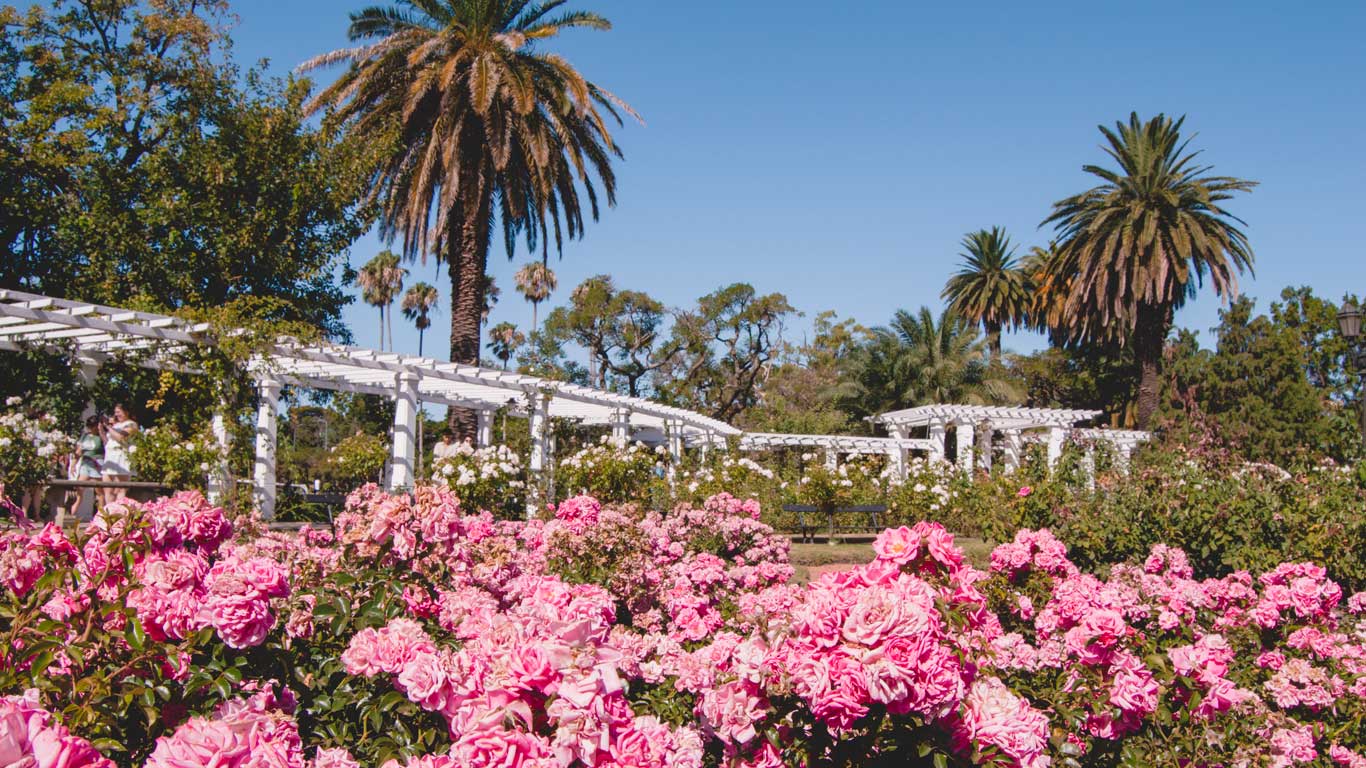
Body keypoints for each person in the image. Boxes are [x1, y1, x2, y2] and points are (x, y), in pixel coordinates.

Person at [99, 404, 138, 506]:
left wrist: (108, 427)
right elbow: (108, 442)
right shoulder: (115, 426)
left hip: (121, 456)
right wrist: (102, 431)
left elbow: (121, 437)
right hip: (110, 456)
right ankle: (109, 512)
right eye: (115, 412)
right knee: (107, 488)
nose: (116, 415)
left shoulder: (131, 425)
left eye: (119, 412)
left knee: (120, 488)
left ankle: (119, 512)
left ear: (126, 412)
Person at [68, 415, 103, 520]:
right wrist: (74, 463)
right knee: (79, 486)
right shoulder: (85, 436)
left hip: (97, 463)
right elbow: (79, 451)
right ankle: (74, 508)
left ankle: (100, 515)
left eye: (93, 426)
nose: (91, 428)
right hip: (85, 463)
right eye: (90, 426)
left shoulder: (101, 437)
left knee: (99, 491)